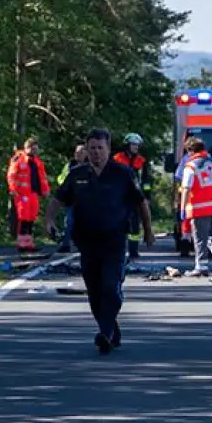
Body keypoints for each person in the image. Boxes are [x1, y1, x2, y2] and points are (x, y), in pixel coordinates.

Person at [48, 128, 153, 354]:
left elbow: (141, 202)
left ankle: (104, 332)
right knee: (94, 291)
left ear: (108, 149)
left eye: (100, 148)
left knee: (110, 287)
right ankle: (110, 329)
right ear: (86, 150)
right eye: (92, 148)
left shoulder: (122, 173)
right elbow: (58, 198)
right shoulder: (77, 174)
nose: (96, 153)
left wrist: (148, 230)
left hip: (114, 239)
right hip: (86, 241)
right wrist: (49, 221)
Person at [178, 137, 212, 275]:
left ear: (190, 150)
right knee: (211, 233)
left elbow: (186, 189)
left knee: (200, 238)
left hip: (200, 208)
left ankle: (201, 267)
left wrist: (182, 209)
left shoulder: (191, 166)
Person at [6, 137, 50, 252]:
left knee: (31, 218)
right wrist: (13, 189)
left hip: (33, 193)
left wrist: (45, 190)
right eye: (33, 149)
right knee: (23, 218)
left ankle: (29, 243)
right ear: (27, 148)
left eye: (36, 150)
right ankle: (21, 243)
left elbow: (42, 178)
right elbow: (11, 175)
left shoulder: (37, 162)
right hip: (22, 193)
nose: (35, 152)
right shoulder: (18, 159)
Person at [111, 133, 150, 262]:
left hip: (135, 196)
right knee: (118, 222)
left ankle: (133, 250)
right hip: (119, 196)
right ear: (127, 145)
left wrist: (146, 197)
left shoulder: (141, 161)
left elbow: (146, 181)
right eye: (134, 145)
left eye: (137, 145)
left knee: (134, 225)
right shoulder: (117, 158)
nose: (136, 147)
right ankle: (117, 248)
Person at [53, 144, 88, 253]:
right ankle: (66, 244)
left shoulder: (90, 166)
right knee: (69, 222)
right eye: (77, 152)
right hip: (71, 199)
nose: (78, 154)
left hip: (87, 201)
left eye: (81, 152)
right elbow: (61, 179)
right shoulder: (70, 166)